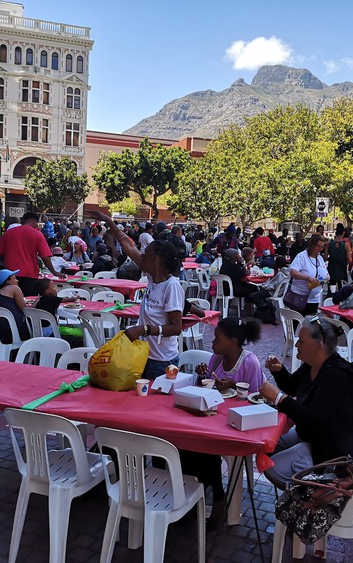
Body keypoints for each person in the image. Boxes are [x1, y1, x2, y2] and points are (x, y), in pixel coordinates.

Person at [260, 316, 353, 488]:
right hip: (311, 434)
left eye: (302, 340)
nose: (297, 344)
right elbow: (293, 387)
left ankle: (309, 497)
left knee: (272, 468)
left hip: (331, 447)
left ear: (319, 343)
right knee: (267, 446)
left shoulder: (335, 376)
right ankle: (303, 491)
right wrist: (279, 372)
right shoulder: (313, 364)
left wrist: (278, 398)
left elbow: (313, 420)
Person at [188, 317, 266, 523]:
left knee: (207, 447)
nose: (212, 343)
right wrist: (201, 377)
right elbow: (206, 388)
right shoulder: (217, 358)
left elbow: (257, 400)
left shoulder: (249, 362)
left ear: (232, 341)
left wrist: (234, 384)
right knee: (190, 443)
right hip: (216, 418)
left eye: (217, 339)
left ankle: (218, 497)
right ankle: (199, 486)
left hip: (239, 424)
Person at [97, 211, 184, 378]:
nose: (142, 254)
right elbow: (127, 245)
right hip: (143, 354)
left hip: (162, 361)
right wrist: (109, 221)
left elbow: (176, 328)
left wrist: (143, 329)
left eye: (147, 252)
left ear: (157, 260)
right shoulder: (152, 277)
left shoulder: (171, 286)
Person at [0, 212, 65, 296]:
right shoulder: (38, 235)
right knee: (28, 301)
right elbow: (45, 257)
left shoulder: (9, 233)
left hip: (10, 274)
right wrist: (54, 272)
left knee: (9, 300)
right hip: (29, 275)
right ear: (34, 222)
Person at [0, 269, 30, 351]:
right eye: (14, 278)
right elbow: (25, 310)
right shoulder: (14, 288)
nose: (17, 281)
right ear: (8, 282)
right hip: (12, 332)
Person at [289, 235, 329, 315]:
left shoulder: (320, 258)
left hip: (314, 298)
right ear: (312, 245)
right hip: (300, 297)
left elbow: (325, 273)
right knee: (298, 322)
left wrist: (325, 279)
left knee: (311, 323)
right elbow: (293, 272)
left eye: (322, 247)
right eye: (319, 246)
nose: (320, 249)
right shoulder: (301, 256)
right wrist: (307, 278)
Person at [324, 224, 350, 293]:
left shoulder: (329, 244)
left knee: (331, 291)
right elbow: (349, 260)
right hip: (342, 270)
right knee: (343, 292)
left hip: (331, 270)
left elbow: (325, 258)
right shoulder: (346, 245)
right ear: (343, 233)